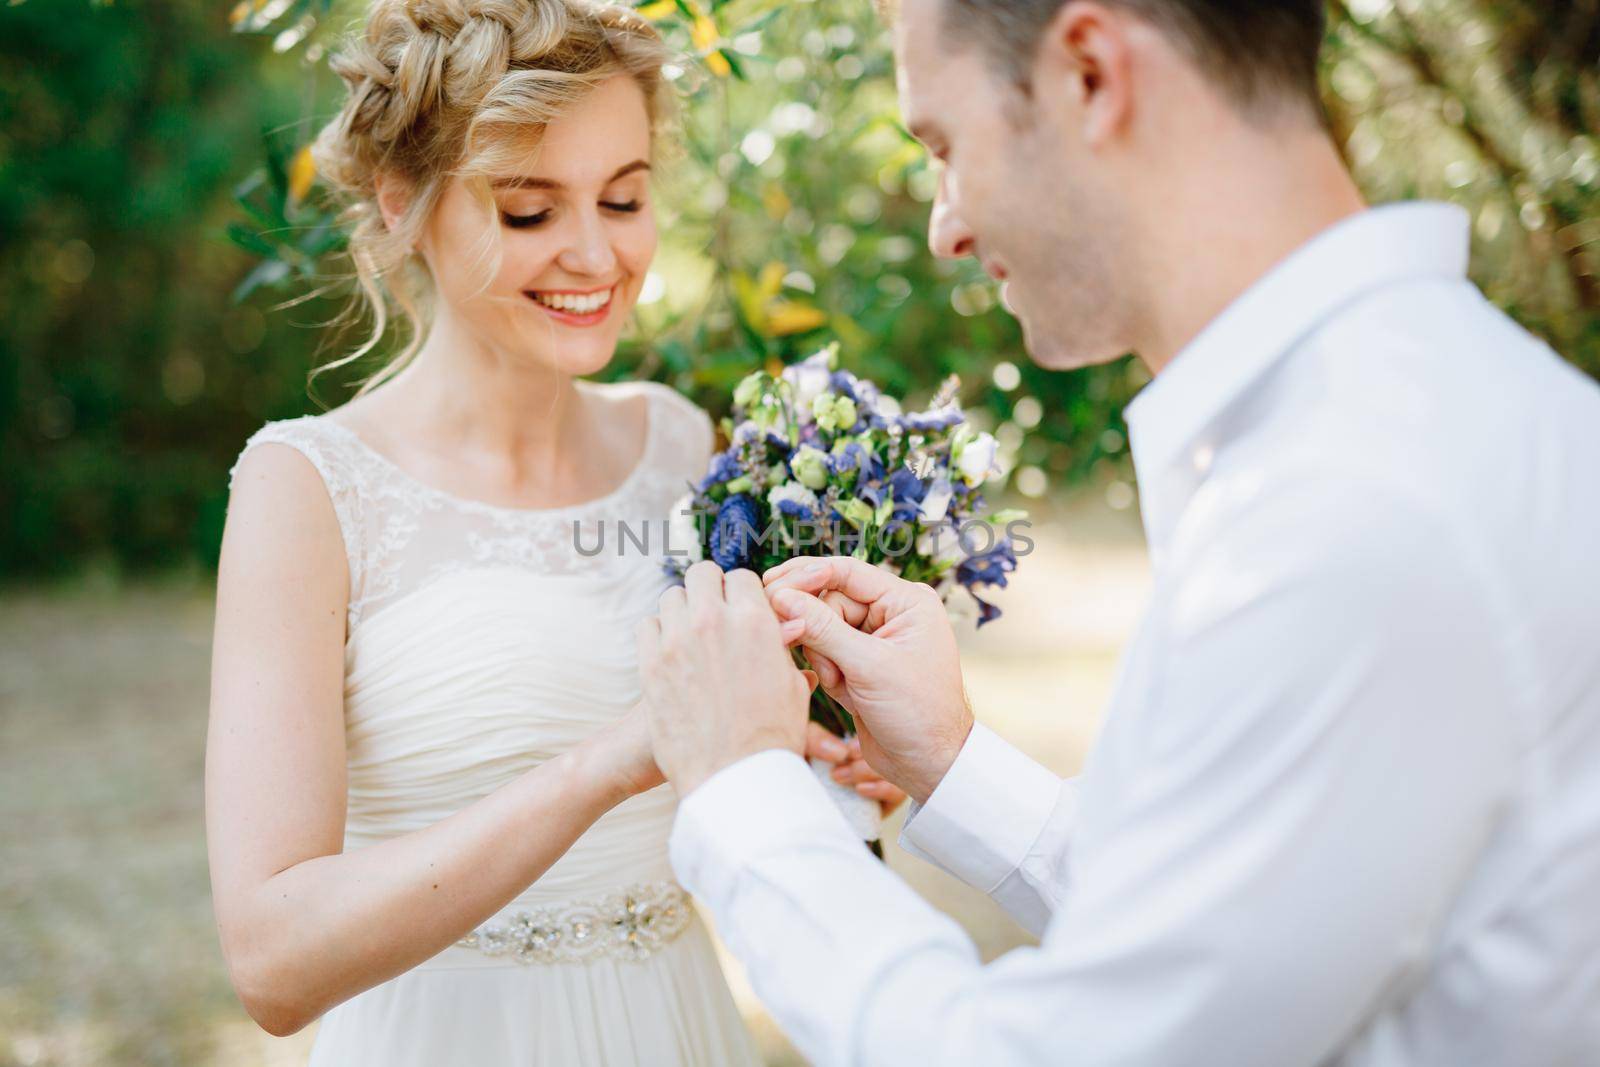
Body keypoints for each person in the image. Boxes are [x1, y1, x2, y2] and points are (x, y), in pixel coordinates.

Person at [637, 1, 1600, 1064]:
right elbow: (1235, 953)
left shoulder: (1352, 507)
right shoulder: (1418, 413)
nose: (943, 225)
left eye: (945, 146)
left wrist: (747, 789)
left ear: (1089, 73)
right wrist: (954, 761)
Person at [204, 1, 900, 1062]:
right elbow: (273, 961)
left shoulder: (678, 445)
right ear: (402, 205)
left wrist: (808, 759)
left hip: (675, 1023)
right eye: (528, 211)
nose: (594, 253)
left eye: (623, 198)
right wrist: (611, 762)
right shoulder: (305, 487)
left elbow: (710, 791)